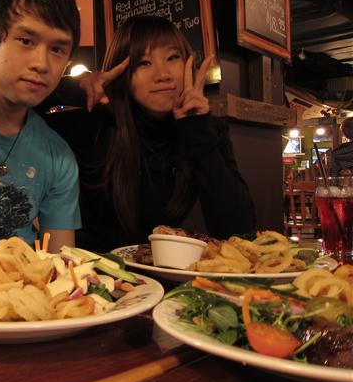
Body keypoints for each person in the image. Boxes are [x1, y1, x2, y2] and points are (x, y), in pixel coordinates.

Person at [45, 15, 256, 252]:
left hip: (158, 269)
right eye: (144, 62)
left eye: (172, 58)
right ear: (121, 72)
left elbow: (238, 230)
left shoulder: (206, 131)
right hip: (89, 269)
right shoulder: (93, 125)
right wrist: (76, 87)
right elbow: (23, 109)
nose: (163, 74)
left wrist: (198, 133)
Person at [0, 0, 82, 252]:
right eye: (25, 40)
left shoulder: (58, 158)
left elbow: (61, 261)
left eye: (57, 49)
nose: (41, 64)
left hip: (17, 277)